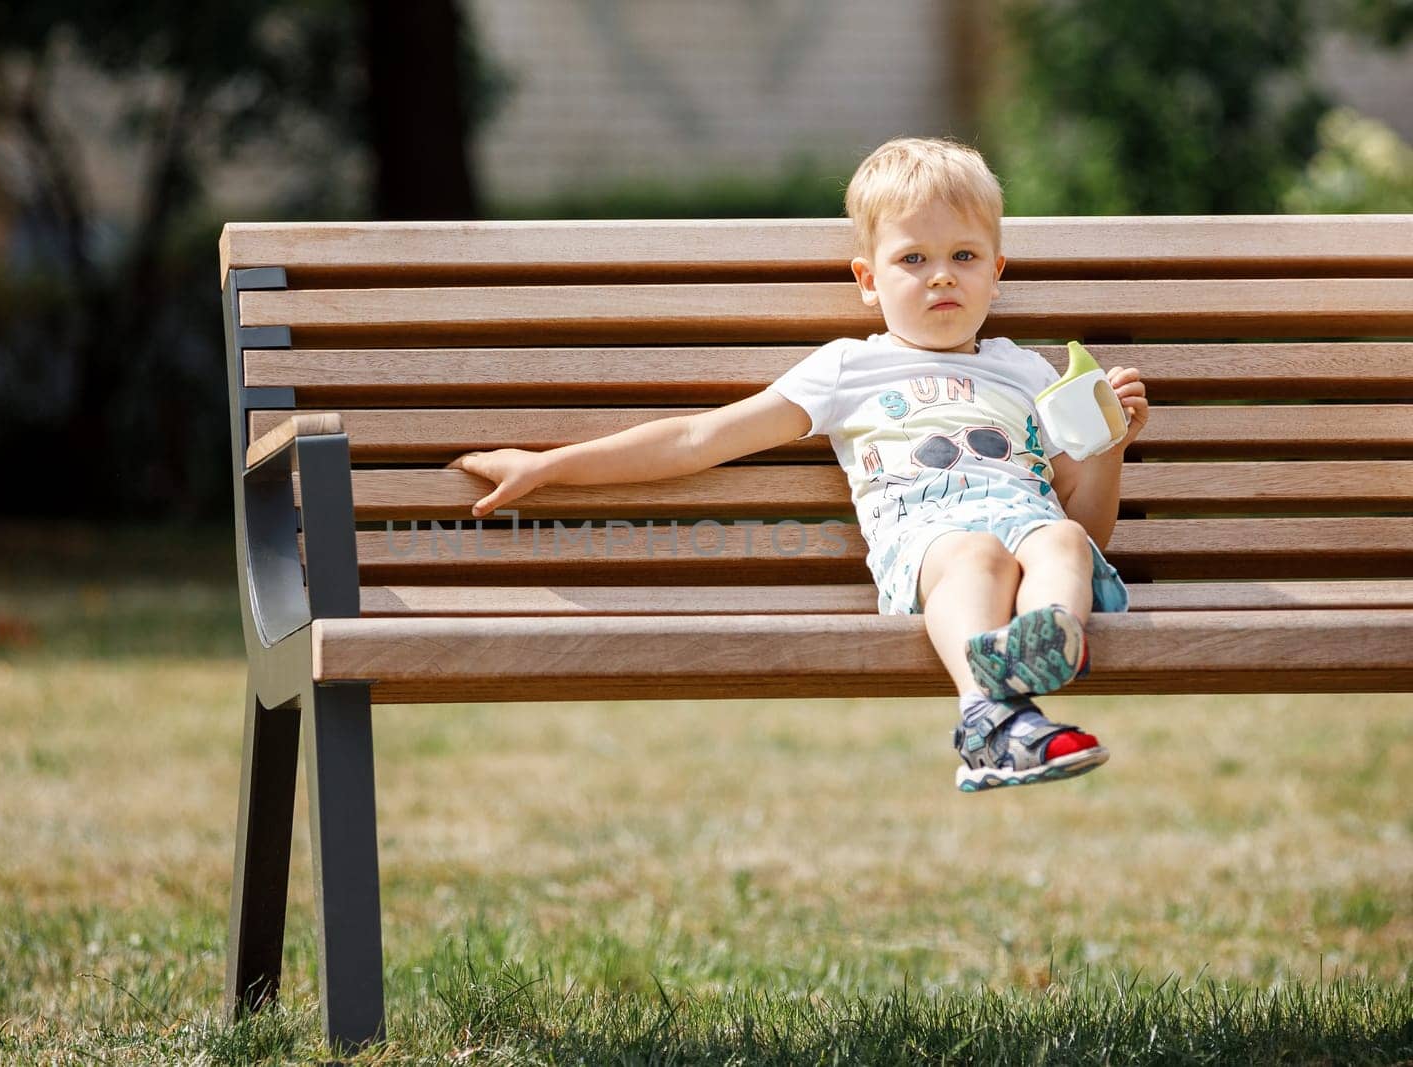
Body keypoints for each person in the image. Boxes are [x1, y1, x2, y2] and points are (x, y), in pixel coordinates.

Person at [447, 136, 1150, 793]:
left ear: (996, 275)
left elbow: (1088, 527)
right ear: (868, 280)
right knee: (978, 555)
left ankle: (1046, 644)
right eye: (913, 260)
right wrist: (550, 466)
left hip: (1031, 533)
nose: (942, 276)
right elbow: (700, 437)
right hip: (931, 545)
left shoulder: (1025, 372)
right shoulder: (849, 367)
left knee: (1061, 539)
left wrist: (1110, 447)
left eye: (965, 257)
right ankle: (987, 712)